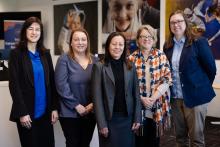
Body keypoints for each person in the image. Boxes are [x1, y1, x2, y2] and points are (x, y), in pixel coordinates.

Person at [164, 10, 216, 147]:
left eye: (179, 21)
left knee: (196, 139)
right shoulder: (167, 46)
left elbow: (211, 69)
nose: (176, 25)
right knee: (180, 138)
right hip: (175, 98)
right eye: (172, 22)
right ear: (170, 25)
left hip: (195, 97)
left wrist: (199, 86)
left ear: (186, 23)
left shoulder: (199, 42)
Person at [8, 17, 59, 147]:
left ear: (41, 33)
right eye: (31, 29)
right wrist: (22, 112)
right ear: (25, 31)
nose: (34, 32)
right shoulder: (16, 54)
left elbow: (52, 83)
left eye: (37, 29)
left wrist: (54, 108)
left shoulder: (45, 54)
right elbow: (14, 85)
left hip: (45, 113)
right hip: (27, 114)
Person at [91, 32, 141, 147]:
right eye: (114, 44)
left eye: (120, 44)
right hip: (109, 120)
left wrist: (137, 118)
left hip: (128, 119)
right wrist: (101, 124)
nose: (117, 47)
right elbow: (97, 98)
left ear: (124, 47)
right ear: (108, 46)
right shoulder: (99, 66)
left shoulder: (130, 66)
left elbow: (136, 94)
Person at [129, 25, 172, 147]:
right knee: (139, 142)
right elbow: (128, 85)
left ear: (153, 39)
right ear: (138, 40)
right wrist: (142, 99)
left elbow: (167, 79)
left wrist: (152, 98)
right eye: (143, 36)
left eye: (149, 36)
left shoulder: (161, 56)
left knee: (154, 142)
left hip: (156, 105)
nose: (146, 39)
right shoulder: (131, 59)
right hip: (138, 107)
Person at [55, 28, 97, 147]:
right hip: (69, 112)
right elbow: (61, 86)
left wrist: (93, 104)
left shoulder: (95, 60)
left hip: (90, 112)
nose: (80, 42)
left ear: (87, 42)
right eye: (76, 39)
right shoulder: (64, 59)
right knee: (73, 143)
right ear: (71, 42)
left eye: (83, 39)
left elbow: (99, 86)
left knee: (85, 143)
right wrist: (76, 105)